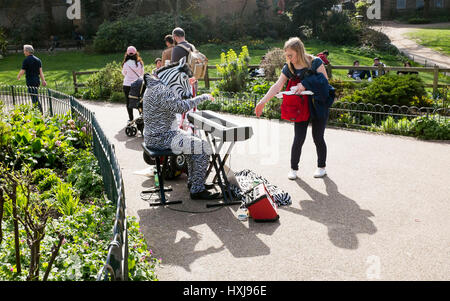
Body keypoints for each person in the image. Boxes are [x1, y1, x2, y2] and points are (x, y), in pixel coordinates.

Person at [255, 37, 333, 180]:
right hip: (300, 107)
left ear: (299, 51)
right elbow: (277, 86)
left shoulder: (315, 62)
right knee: (298, 138)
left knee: (318, 137)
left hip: (318, 105)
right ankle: (293, 169)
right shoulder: (289, 66)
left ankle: (322, 167)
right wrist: (262, 102)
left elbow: (325, 83)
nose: (288, 58)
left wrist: (305, 84)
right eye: (287, 55)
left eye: (290, 55)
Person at [142, 63, 219, 200]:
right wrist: (203, 97)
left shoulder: (155, 86)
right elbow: (181, 107)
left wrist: (187, 83)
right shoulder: (161, 90)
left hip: (160, 135)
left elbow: (172, 97)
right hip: (162, 138)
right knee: (204, 148)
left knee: (196, 144)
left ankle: (195, 183)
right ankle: (197, 190)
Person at [17, 44, 47, 112]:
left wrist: (18, 76)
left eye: (24, 50)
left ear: (27, 51)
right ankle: (37, 110)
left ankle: (39, 111)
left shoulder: (26, 60)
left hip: (30, 81)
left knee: (34, 97)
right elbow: (41, 72)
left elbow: (23, 70)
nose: (23, 52)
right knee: (35, 95)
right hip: (37, 80)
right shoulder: (38, 60)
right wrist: (43, 81)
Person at [122, 46, 144, 124]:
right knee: (139, 101)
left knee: (128, 102)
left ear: (127, 54)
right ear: (136, 53)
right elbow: (142, 73)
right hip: (137, 85)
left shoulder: (125, 64)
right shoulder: (139, 63)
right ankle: (141, 117)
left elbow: (124, 73)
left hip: (127, 84)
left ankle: (131, 119)